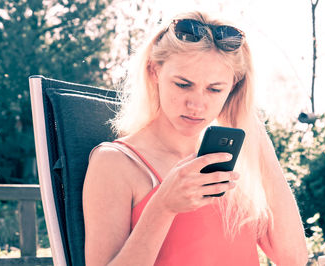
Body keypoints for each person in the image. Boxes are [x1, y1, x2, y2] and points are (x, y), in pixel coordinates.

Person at [83, 10, 308, 266]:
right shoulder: (115, 163)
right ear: (154, 71)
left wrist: (256, 137)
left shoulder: (232, 163)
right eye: (183, 84)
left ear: (233, 86)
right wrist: (163, 207)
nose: (197, 104)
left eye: (214, 89)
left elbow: (294, 259)